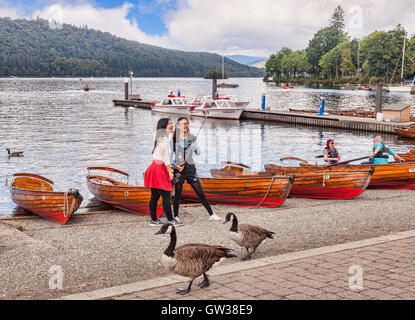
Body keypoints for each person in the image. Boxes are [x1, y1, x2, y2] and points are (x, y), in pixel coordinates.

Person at [171, 117, 221, 221]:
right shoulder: (173, 139)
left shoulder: (192, 137)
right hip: (179, 168)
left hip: (190, 168)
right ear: (177, 126)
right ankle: (176, 216)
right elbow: (170, 157)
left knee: (199, 191)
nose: (185, 126)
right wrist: (176, 166)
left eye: (187, 124)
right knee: (178, 193)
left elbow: (198, 152)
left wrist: (193, 146)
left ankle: (211, 214)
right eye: (183, 124)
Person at [144, 118, 184, 227]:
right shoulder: (164, 140)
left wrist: (172, 166)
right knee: (166, 194)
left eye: (172, 123)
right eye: (169, 123)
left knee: (155, 196)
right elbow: (165, 158)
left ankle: (153, 220)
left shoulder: (159, 138)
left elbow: (159, 156)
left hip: (154, 166)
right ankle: (170, 220)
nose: (172, 125)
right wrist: (170, 171)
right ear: (164, 126)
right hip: (160, 168)